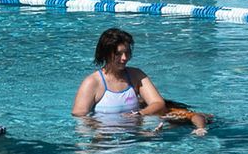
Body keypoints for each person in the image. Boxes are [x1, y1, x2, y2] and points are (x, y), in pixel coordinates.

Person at [70, 28, 209, 132]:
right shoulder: (93, 82)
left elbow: (158, 103)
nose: (124, 58)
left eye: (127, 53)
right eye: (118, 54)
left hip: (134, 132)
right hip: (105, 134)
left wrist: (139, 114)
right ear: (106, 54)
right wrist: (104, 129)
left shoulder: (136, 75)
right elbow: (79, 117)